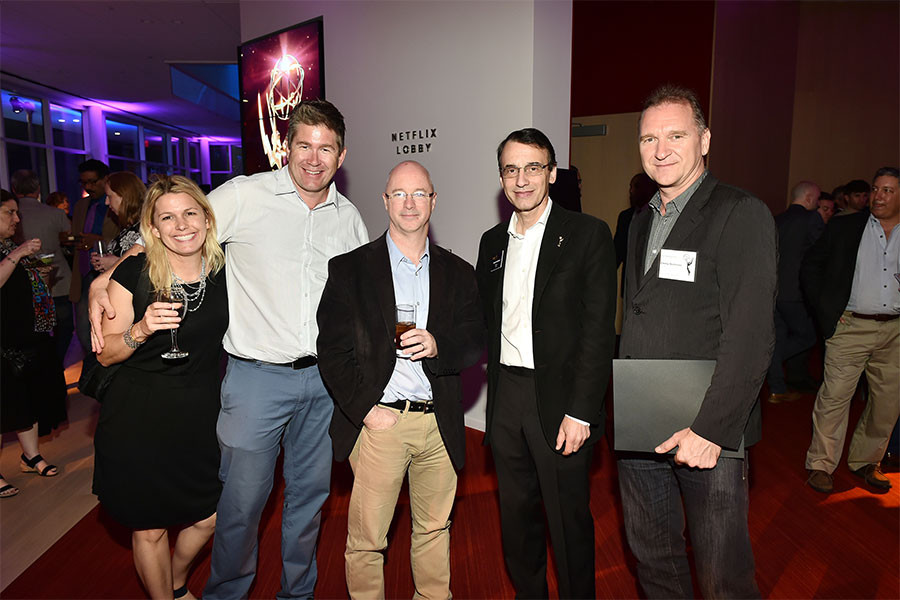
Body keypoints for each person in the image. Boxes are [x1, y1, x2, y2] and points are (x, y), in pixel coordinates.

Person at [91, 101, 369, 599]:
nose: (313, 157)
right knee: (240, 505)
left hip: (324, 383)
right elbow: (176, 225)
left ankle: (297, 592)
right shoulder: (245, 195)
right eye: (303, 144)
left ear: (341, 156)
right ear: (287, 148)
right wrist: (108, 275)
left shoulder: (349, 219)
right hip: (255, 378)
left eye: (325, 148)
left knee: (309, 500)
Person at [617, 85, 776, 599]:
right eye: (648, 138)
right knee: (654, 560)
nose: (660, 149)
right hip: (643, 425)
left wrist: (711, 429)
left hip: (708, 430)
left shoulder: (739, 213)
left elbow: (750, 337)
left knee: (721, 575)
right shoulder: (641, 222)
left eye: (675, 135)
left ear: (704, 140)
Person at [317, 161, 483, 599]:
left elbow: (474, 341)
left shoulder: (459, 272)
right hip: (381, 424)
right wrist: (366, 412)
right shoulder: (349, 269)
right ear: (386, 200)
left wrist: (438, 345)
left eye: (419, 193)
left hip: (439, 423)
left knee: (434, 530)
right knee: (368, 540)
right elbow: (332, 351)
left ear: (433, 200)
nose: (410, 203)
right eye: (400, 194)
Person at [475, 128, 617, 599]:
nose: (522, 179)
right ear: (501, 177)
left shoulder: (587, 234)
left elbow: (598, 334)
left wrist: (582, 411)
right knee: (517, 520)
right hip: (507, 401)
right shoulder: (491, 242)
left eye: (533, 167)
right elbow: (483, 318)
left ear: (552, 173)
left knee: (567, 520)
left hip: (560, 402)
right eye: (511, 169)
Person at [93, 175, 227, 599]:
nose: (181, 224)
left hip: (201, 413)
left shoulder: (227, 270)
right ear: (152, 227)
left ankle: (174, 578)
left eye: (190, 213)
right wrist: (141, 329)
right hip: (139, 415)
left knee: (209, 516)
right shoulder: (134, 271)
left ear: (207, 219)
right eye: (166, 217)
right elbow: (106, 354)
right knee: (149, 527)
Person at [801, 167, 900, 494]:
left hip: (895, 332)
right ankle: (821, 464)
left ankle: (865, 461)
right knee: (835, 398)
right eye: (876, 189)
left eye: (887, 190)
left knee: (887, 403)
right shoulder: (845, 227)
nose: (878, 196)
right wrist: (826, 311)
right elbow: (811, 266)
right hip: (850, 326)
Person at [0, 190, 67, 499]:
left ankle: (31, 456)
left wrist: (37, 275)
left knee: (26, 397)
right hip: (3, 340)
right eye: (9, 213)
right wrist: (18, 255)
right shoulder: (12, 250)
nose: (16, 219)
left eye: (16, 213)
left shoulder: (10, 246)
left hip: (25, 335)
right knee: (3, 403)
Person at [766, 181, 824, 403]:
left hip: (774, 291)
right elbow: (819, 256)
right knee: (808, 336)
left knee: (779, 338)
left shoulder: (776, 219)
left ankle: (777, 388)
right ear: (809, 198)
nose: (818, 205)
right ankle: (770, 362)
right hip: (796, 293)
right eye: (817, 201)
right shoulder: (811, 220)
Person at [12, 170, 75, 363]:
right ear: (38, 189)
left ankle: (47, 367)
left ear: (15, 189)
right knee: (63, 327)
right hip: (59, 280)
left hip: (25, 282)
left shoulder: (13, 215)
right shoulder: (55, 214)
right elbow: (70, 239)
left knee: (37, 330)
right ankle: (55, 363)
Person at [72, 159, 119, 359]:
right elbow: (78, 234)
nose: (88, 187)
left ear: (104, 179)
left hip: (110, 272)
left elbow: (126, 241)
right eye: (84, 183)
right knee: (83, 328)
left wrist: (98, 241)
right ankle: (92, 366)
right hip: (84, 271)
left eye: (92, 182)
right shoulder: (81, 205)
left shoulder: (114, 204)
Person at [90, 171, 146, 276]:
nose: (106, 202)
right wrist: (104, 262)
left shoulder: (149, 227)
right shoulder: (129, 226)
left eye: (109, 196)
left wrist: (114, 263)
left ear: (124, 195)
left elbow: (153, 267)